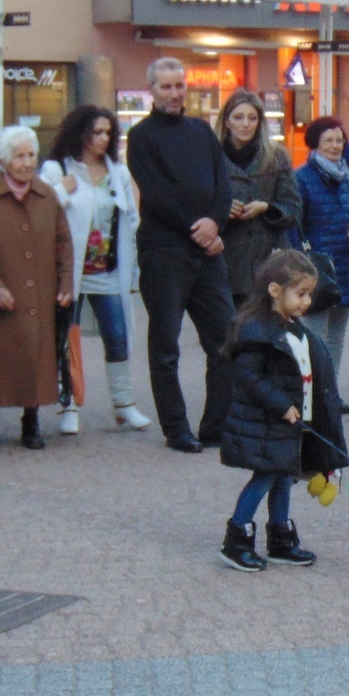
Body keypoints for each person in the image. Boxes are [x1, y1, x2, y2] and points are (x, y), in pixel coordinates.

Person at [127, 57, 236, 453]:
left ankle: (215, 425)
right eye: (165, 87)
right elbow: (156, 196)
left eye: (179, 86)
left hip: (207, 254)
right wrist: (201, 230)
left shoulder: (202, 131)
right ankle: (176, 429)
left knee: (227, 340)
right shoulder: (141, 137)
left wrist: (216, 223)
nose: (174, 94)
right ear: (151, 90)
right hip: (165, 252)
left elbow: (223, 187)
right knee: (166, 346)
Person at [216, 251, 346, 572]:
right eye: (300, 294)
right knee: (265, 477)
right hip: (266, 423)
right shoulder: (255, 331)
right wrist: (282, 404)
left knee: (285, 479)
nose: (307, 302)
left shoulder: (295, 328)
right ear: (275, 291)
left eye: (309, 294)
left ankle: (281, 540)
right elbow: (249, 377)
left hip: (292, 424)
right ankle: (236, 539)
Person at [40, 104, 151, 433]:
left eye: (108, 133)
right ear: (80, 134)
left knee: (117, 335)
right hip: (69, 271)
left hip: (107, 269)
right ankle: (69, 405)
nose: (103, 139)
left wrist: (133, 272)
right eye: (96, 132)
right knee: (66, 338)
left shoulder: (118, 172)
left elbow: (132, 220)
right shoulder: (57, 168)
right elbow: (41, 209)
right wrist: (63, 191)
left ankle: (124, 404)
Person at [0, 126, 75, 451]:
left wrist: (66, 282)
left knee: (36, 357)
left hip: (41, 292)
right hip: (5, 294)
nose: (27, 163)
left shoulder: (47, 196)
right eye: (19, 156)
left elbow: (63, 243)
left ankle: (31, 420)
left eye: (31, 155)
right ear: (3, 160)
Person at [292, 116, 349, 381]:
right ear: (315, 143)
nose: (335, 146)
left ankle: (331, 392)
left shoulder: (346, 177)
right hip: (316, 269)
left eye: (339, 140)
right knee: (315, 338)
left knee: (336, 337)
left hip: (345, 266)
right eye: (329, 140)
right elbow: (294, 225)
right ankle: (313, 396)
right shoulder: (301, 178)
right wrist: (301, 264)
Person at [217, 90, 302, 307]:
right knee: (229, 334)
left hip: (267, 259)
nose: (245, 124)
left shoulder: (276, 156)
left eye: (252, 118)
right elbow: (196, 205)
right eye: (238, 117)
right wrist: (221, 209)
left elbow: (293, 208)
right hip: (224, 259)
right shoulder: (211, 156)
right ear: (226, 121)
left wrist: (267, 207)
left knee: (266, 332)